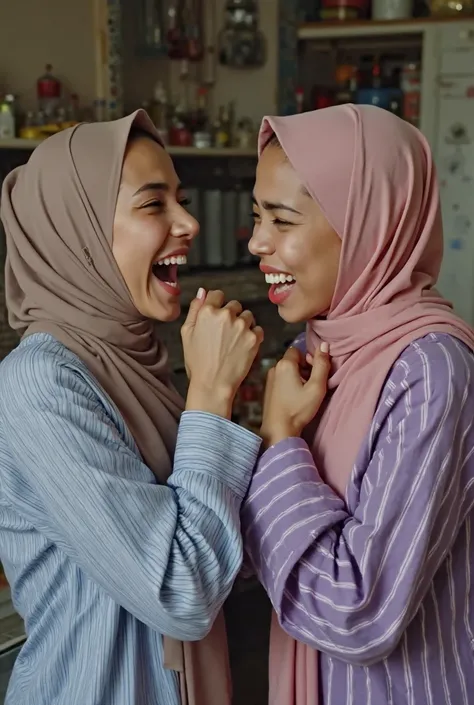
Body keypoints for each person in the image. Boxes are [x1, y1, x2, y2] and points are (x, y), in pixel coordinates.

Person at [0, 109, 264, 705]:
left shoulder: (131, 362)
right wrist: (211, 396)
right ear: (80, 231)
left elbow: (224, 552)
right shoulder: (42, 382)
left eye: (182, 199)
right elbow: (182, 592)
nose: (189, 222)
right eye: (154, 205)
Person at [241, 104, 474, 705]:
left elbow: (358, 610)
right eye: (256, 215)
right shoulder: (315, 347)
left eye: (282, 219)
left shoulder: (431, 371)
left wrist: (280, 443)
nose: (257, 241)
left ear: (369, 223)